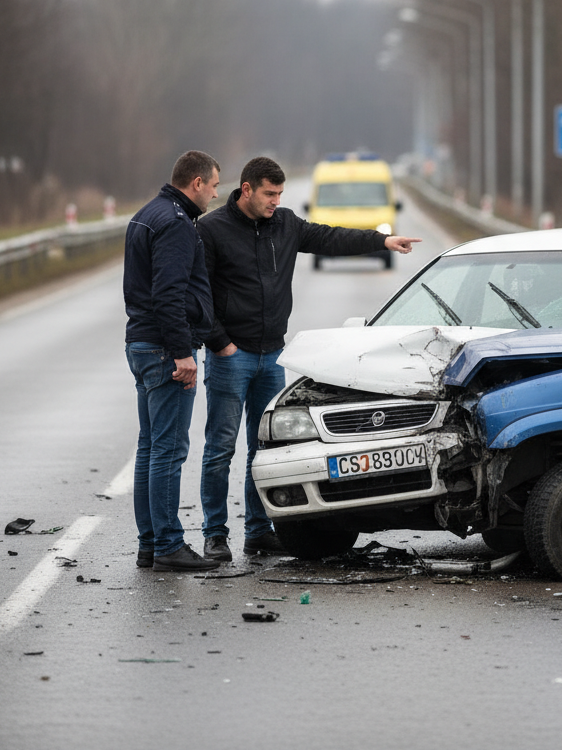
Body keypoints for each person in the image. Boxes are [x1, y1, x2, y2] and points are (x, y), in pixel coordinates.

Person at [197, 156, 421, 560]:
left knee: (264, 449)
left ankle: (257, 530)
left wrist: (381, 241)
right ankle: (215, 535)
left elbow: (329, 238)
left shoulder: (284, 225)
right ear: (246, 189)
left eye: (280, 194)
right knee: (220, 448)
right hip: (231, 356)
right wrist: (219, 343)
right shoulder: (211, 229)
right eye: (269, 194)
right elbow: (198, 292)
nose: (276, 201)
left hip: (272, 356)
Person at [124, 150, 223, 572]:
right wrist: (183, 352)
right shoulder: (177, 224)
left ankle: (150, 543)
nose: (216, 194)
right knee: (168, 449)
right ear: (196, 182)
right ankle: (167, 544)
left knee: (150, 447)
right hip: (166, 349)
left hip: (141, 344)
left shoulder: (147, 213)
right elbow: (168, 294)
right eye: (215, 185)